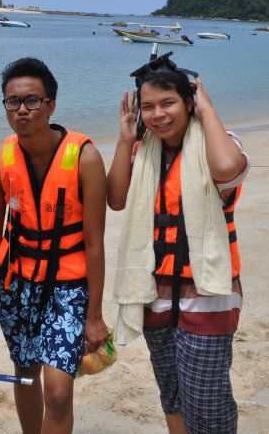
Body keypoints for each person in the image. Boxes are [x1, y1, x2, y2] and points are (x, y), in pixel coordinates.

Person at [106, 53, 248, 434]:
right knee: (171, 396)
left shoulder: (219, 142)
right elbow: (116, 198)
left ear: (188, 102)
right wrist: (125, 138)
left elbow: (227, 169)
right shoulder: (143, 150)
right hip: (156, 295)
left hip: (207, 295)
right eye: (148, 107)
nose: (158, 115)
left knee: (206, 404)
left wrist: (207, 109)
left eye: (167, 103)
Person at [0, 57, 109, 434]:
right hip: (18, 284)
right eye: (13, 102)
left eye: (32, 101)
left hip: (69, 287)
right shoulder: (2, 160)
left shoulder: (84, 157)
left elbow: (95, 243)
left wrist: (95, 315)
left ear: (50, 105)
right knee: (25, 374)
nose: (22, 110)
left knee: (58, 391)